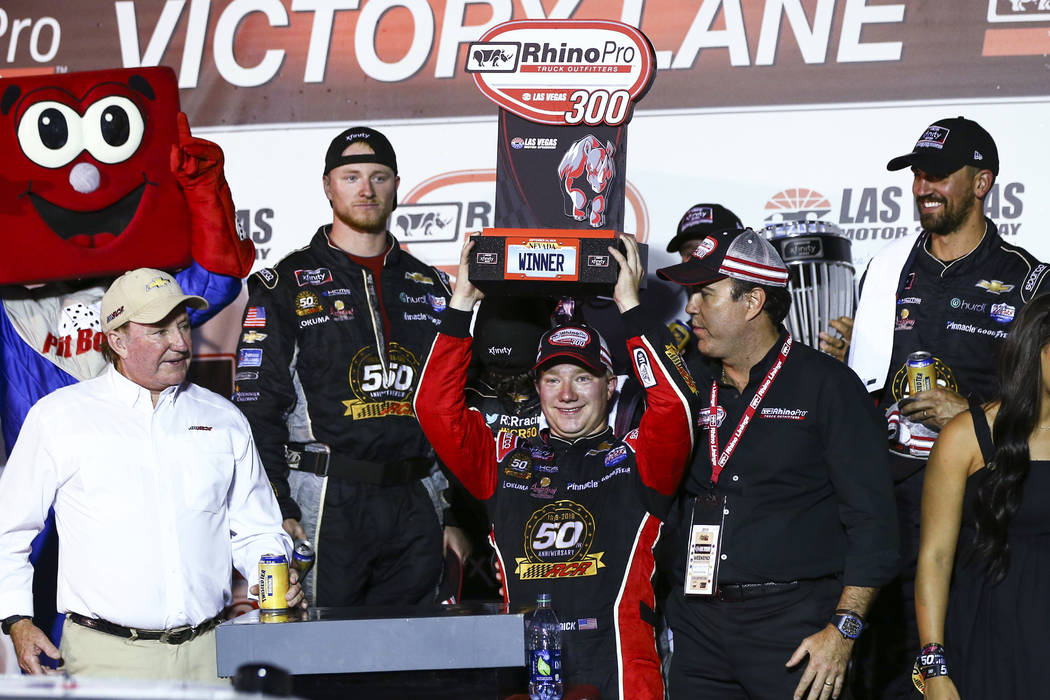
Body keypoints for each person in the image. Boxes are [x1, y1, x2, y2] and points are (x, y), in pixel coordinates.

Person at [414, 234, 698, 700]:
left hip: (621, 667)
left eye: (583, 378)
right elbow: (435, 409)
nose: (567, 394)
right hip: (526, 670)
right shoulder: (503, 461)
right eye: (553, 379)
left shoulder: (640, 457)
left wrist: (630, 307)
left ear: (609, 387)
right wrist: (462, 302)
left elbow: (675, 406)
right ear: (539, 387)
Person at [0, 268, 300, 681]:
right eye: (159, 330)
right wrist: (16, 619)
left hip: (211, 655)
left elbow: (257, 528)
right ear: (117, 340)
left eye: (182, 325)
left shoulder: (223, 418)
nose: (179, 343)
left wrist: (275, 577)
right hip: (102, 660)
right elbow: (8, 528)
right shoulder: (58, 417)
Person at [847, 116, 1049, 699]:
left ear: (982, 182)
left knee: (956, 658)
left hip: (982, 504)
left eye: (937, 175)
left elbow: (1043, 408)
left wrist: (969, 414)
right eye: (917, 176)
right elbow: (863, 390)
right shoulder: (885, 269)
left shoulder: (1030, 281)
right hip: (889, 500)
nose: (922, 188)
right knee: (880, 666)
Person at [655, 228, 898, 700]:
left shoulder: (828, 387)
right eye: (690, 294)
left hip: (793, 631)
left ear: (752, 302)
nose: (691, 308)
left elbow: (875, 524)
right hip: (698, 630)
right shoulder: (687, 383)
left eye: (705, 294)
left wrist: (843, 630)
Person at [233, 126, 458, 607]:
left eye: (378, 177)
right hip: (326, 498)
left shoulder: (434, 286)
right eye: (351, 176)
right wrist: (279, 505)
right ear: (327, 185)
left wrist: (457, 513)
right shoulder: (283, 286)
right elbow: (257, 409)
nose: (366, 189)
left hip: (418, 496)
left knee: (414, 662)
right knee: (322, 658)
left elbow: (456, 404)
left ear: (396, 185)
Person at [914, 294, 1050, 699]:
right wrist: (934, 668)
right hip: (992, 638)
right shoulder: (966, 437)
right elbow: (935, 559)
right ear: (1038, 350)